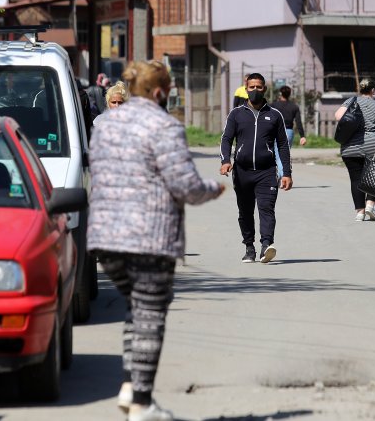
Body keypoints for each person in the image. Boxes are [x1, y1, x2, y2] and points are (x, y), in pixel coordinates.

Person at [88, 60, 225, 421]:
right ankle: (142, 404)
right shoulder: (164, 125)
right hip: (148, 237)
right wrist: (213, 189)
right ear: (161, 92)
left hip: (103, 236)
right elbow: (186, 186)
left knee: (139, 308)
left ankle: (131, 386)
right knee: (150, 313)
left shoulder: (105, 125)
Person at [220, 72, 292, 263]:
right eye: (251, 87)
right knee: (245, 212)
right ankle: (249, 247)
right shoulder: (236, 114)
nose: (255, 90)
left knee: (266, 208)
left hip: (266, 171)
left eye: (259, 87)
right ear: (246, 88)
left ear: (265, 89)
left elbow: (283, 145)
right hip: (242, 172)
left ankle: (266, 245)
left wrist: (287, 173)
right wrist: (225, 160)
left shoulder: (274, 115)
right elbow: (226, 139)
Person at [335, 78, 375, 222]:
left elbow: (338, 116)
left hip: (350, 146)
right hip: (373, 146)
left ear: (360, 89)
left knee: (355, 179)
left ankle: (360, 212)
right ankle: (370, 205)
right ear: (373, 90)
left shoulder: (351, 101)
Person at [270, 85, 307, 178]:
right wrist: (302, 136)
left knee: (277, 155)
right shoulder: (294, 107)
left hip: (276, 131)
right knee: (285, 154)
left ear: (280, 94)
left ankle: (281, 176)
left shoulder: (274, 105)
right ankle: (282, 175)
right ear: (289, 94)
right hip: (289, 132)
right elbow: (298, 122)